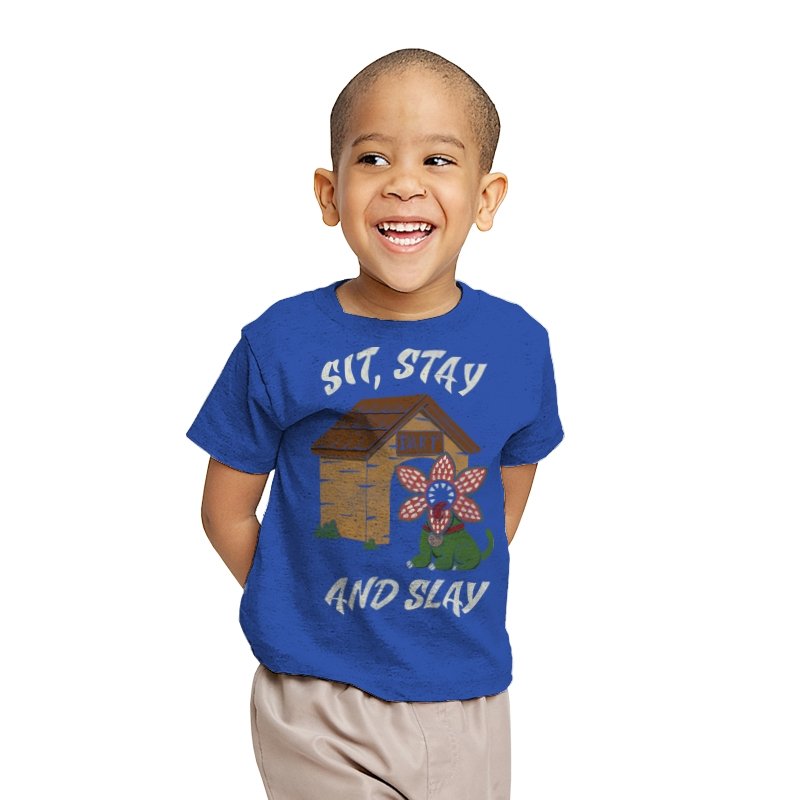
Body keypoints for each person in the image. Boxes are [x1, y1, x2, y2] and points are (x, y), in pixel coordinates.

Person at [187, 48, 564, 800]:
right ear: (330, 193)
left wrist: (440, 565)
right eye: (373, 158)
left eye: (437, 159)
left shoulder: (519, 346)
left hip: (467, 692)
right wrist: (300, 603)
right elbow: (224, 511)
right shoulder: (281, 343)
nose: (404, 182)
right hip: (316, 696)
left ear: (486, 198)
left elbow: (508, 490)